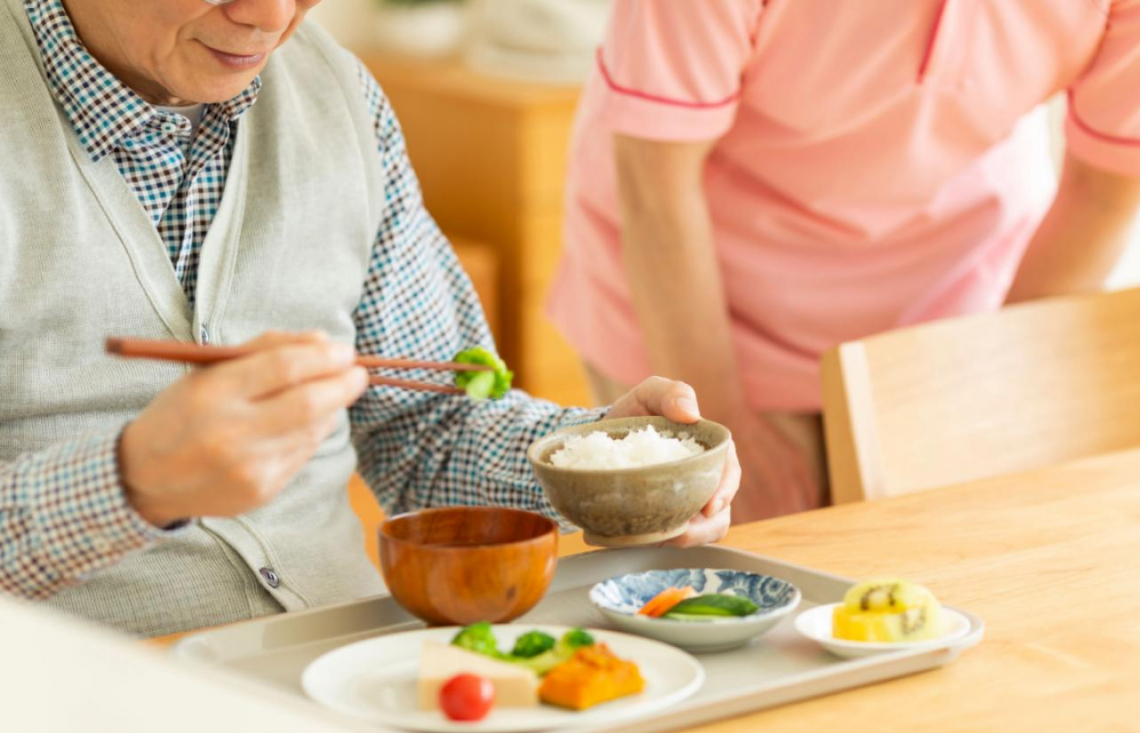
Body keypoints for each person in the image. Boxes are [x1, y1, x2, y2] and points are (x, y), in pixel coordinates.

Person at [0, 0, 741, 638]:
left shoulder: (338, 95)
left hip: (349, 679)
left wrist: (603, 468)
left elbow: (426, 430)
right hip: (76, 719)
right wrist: (132, 482)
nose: (269, 18)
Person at [549, 0, 1140, 523]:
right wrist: (728, 433)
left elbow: (1105, 190)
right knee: (734, 583)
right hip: (699, 305)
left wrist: (986, 388)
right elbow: (656, 186)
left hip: (956, 306)